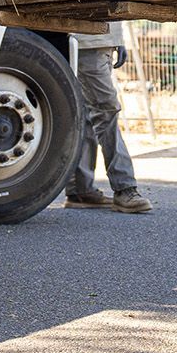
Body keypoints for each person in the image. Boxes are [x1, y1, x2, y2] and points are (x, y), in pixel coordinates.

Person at [64, 22, 153, 213]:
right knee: (106, 111)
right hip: (87, 40)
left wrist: (117, 40)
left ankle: (80, 190)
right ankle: (124, 187)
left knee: (87, 114)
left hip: (100, 40)